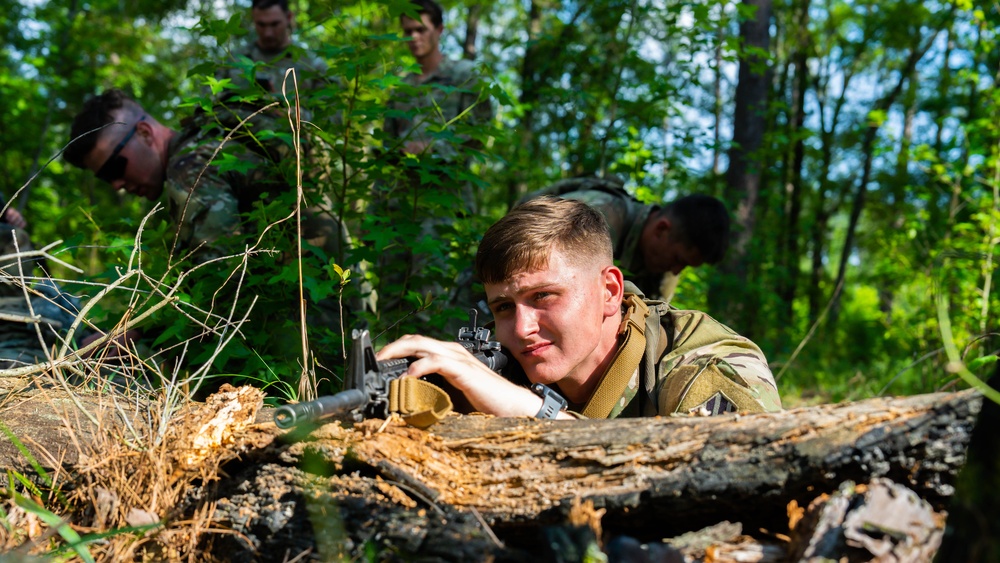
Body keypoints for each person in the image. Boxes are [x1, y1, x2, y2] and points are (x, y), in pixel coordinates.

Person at [376, 197, 781, 419]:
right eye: (502, 307)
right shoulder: (495, 366)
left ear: (609, 291)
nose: (521, 329)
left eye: (543, 297)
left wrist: (531, 412)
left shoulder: (708, 363)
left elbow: (714, 479)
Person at [519, 175, 730, 302]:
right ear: (661, 229)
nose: (676, 270)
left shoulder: (663, 272)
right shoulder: (593, 218)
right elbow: (527, 272)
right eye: (678, 260)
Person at [219, 0, 328, 98]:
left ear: (289, 17)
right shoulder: (232, 61)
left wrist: (295, 115)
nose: (268, 33)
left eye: (275, 24)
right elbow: (210, 106)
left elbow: (332, 114)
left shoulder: (311, 65)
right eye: (261, 24)